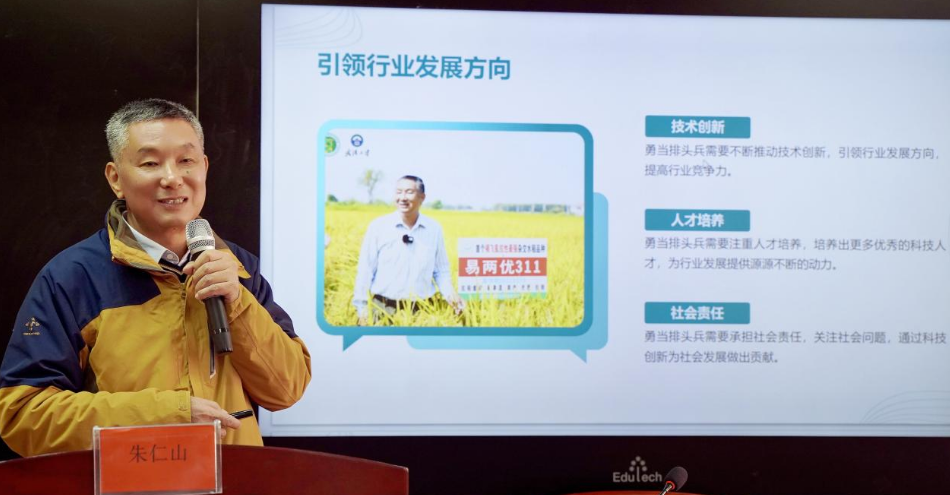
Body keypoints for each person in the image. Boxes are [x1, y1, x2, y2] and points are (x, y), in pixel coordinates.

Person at [0, 99, 311, 457]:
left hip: (234, 479)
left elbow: (286, 390)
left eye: (186, 161)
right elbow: (23, 414)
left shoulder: (237, 267)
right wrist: (166, 417)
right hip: (128, 478)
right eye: (150, 163)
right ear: (115, 178)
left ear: (204, 167)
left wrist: (239, 305)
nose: (172, 178)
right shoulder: (73, 276)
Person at [352, 175, 464, 325]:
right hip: (383, 307)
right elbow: (365, 269)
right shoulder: (378, 227)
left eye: (409, 192)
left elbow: (441, 271)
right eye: (398, 192)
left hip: (422, 310)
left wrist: (451, 296)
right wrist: (362, 308)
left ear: (422, 197)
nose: (402, 198)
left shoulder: (433, 229)